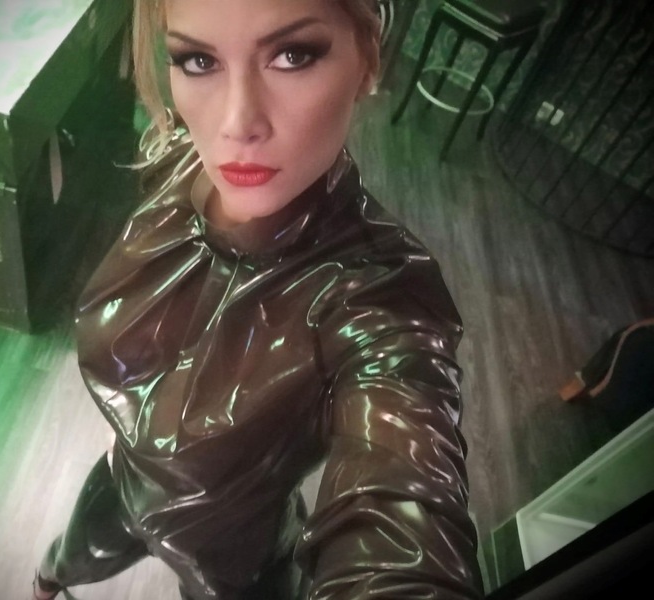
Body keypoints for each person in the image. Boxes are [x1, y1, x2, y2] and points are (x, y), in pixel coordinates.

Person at [33, 0, 484, 598]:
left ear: (368, 60)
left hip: (236, 560)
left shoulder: (379, 300)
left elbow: (400, 510)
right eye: (198, 61)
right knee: (63, 562)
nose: (236, 124)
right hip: (122, 482)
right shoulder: (177, 160)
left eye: (293, 55)